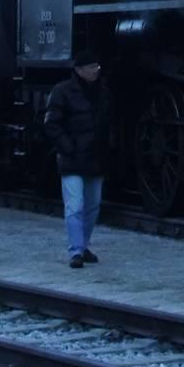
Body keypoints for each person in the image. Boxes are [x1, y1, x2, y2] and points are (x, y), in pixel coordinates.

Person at [43, 49, 111, 266]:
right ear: (79, 70)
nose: (96, 70)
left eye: (97, 67)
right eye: (92, 67)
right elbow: (51, 123)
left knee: (93, 205)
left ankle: (83, 244)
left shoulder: (104, 92)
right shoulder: (62, 91)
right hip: (72, 158)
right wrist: (67, 148)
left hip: (96, 156)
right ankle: (76, 252)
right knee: (75, 205)